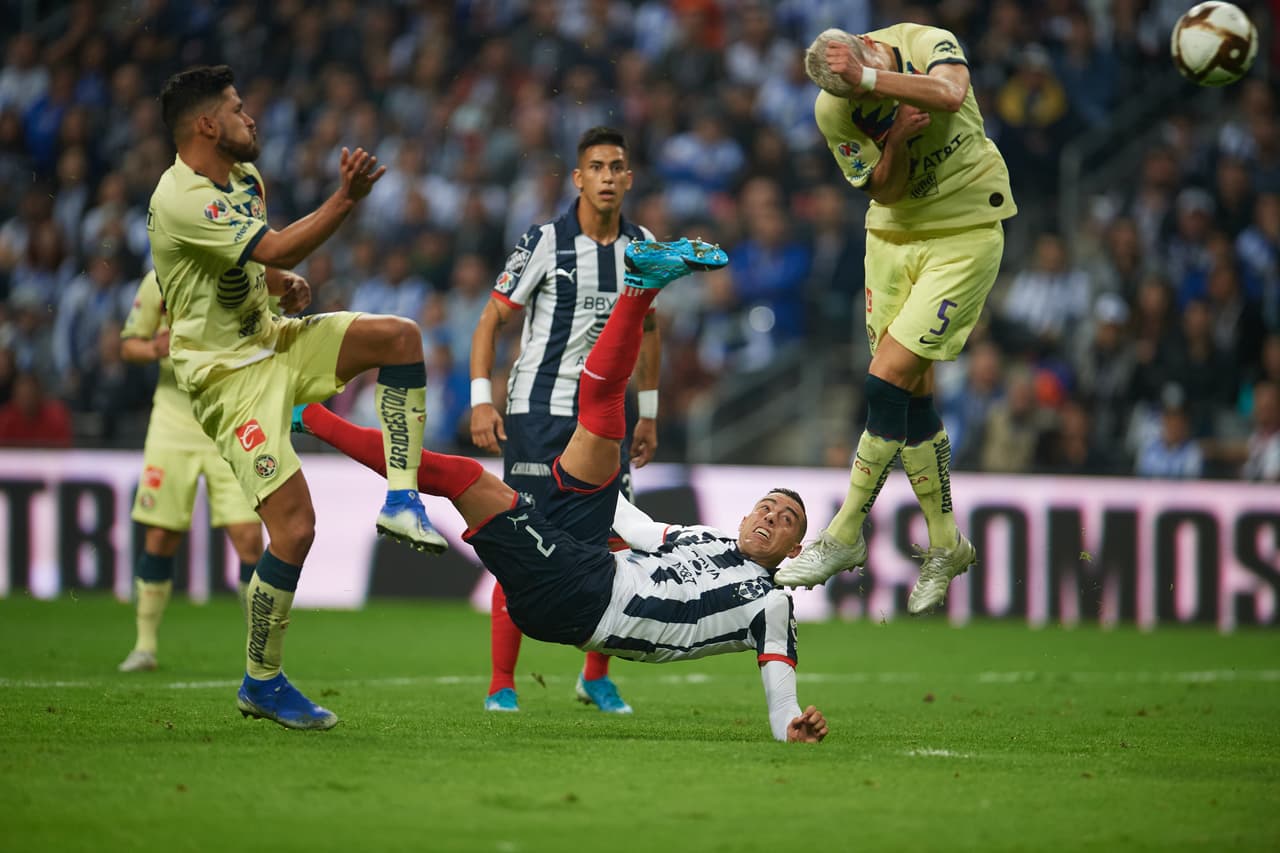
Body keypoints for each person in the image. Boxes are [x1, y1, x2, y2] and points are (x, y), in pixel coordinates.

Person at [296, 238, 827, 742]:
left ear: (793, 549)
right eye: (767, 506)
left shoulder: (770, 603)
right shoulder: (708, 539)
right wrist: (574, 479)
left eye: (785, 521)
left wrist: (789, 726)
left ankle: (313, 418)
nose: (770, 517)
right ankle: (638, 287)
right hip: (584, 559)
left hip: (584, 601)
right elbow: (637, 527)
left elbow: (781, 693)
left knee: (482, 472)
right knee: (592, 416)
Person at [147, 65, 445, 730]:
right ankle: (262, 680)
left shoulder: (244, 179)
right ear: (205, 125)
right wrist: (344, 200)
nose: (249, 116)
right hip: (227, 377)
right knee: (295, 528)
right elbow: (269, 241)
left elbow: (251, 257)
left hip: (273, 338)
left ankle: (401, 499)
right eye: (236, 107)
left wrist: (277, 279)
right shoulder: (179, 197)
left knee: (399, 338)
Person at [778, 26, 1018, 614]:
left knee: (884, 378)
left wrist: (870, 83)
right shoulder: (833, 107)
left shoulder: (925, 39)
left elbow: (951, 94)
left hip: (963, 233)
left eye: (859, 90)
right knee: (910, 393)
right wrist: (898, 140)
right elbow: (883, 189)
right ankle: (946, 543)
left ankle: (842, 533)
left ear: (867, 48)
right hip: (890, 239)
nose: (858, 106)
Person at [469, 127, 660, 714]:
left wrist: (648, 412)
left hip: (607, 421)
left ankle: (594, 677)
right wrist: (481, 397)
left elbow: (649, 332)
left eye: (617, 166)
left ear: (629, 178)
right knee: (519, 536)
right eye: (596, 166)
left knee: (611, 542)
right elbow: (492, 319)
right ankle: (503, 683)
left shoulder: (644, 244)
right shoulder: (546, 241)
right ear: (578, 179)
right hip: (537, 411)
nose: (607, 176)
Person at [117, 270, 265, 673]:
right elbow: (129, 344)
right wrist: (152, 349)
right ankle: (145, 646)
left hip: (230, 419)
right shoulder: (158, 280)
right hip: (173, 423)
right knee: (161, 534)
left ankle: (259, 651)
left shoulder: (240, 274)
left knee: (249, 537)